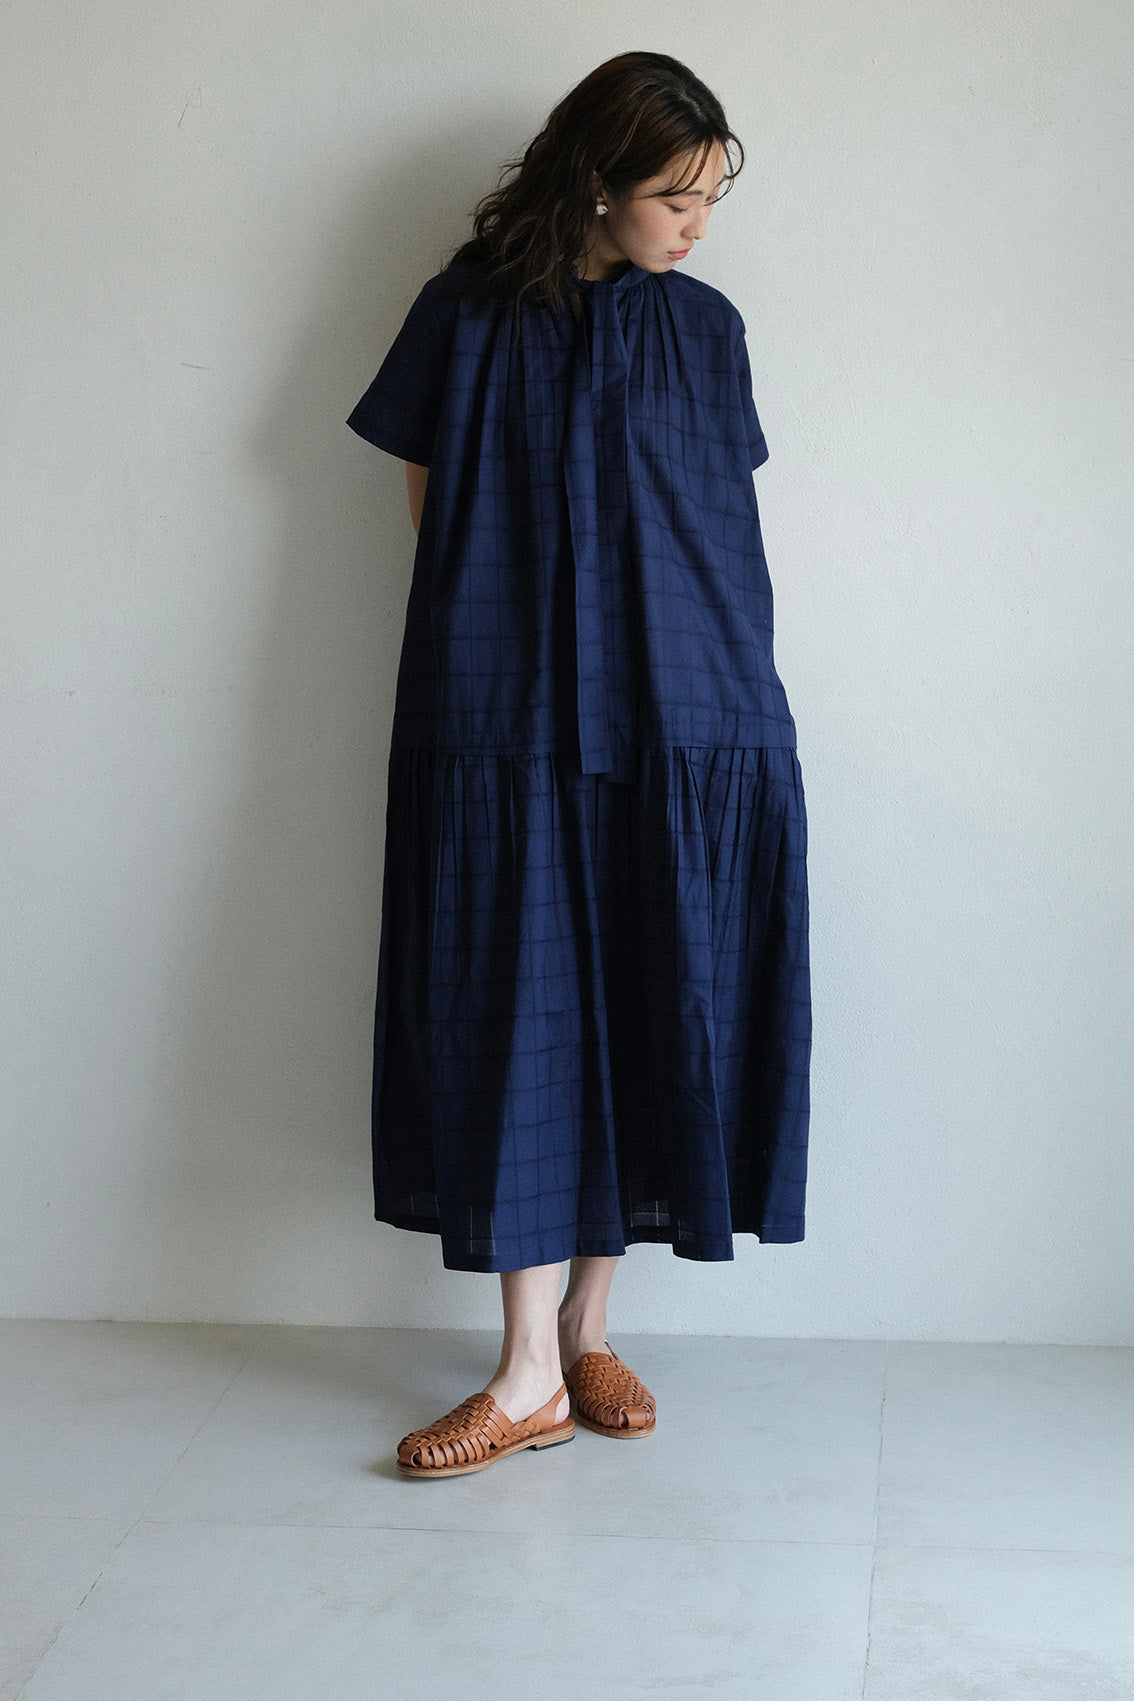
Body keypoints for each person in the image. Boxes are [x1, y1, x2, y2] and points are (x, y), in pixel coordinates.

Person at [346, 52, 812, 1478]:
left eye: (712, 198)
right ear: (598, 181)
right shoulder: (465, 312)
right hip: (506, 709)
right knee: (516, 1006)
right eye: (676, 197)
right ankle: (525, 1369)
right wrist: (514, 644)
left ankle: (587, 1334)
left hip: (689, 706)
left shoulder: (707, 329)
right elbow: (429, 501)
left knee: (649, 986)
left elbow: (710, 522)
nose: (697, 225)